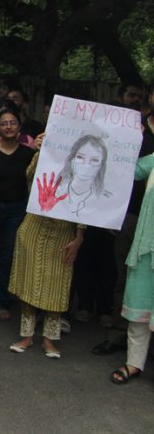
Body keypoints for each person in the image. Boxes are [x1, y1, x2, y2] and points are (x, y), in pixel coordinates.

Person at [8, 133, 85, 359]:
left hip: (64, 232)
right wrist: (41, 151)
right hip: (34, 226)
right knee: (29, 281)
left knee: (57, 285)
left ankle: (49, 339)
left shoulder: (84, 162)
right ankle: (26, 335)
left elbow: (88, 206)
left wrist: (79, 237)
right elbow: (29, 178)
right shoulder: (46, 150)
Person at [0, 106, 35, 320]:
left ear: (19, 127)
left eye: (13, 122)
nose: (9, 127)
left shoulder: (28, 153)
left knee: (7, 255)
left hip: (17, 209)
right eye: (4, 123)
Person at [111, 153, 154, 383]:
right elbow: (126, 168)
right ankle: (134, 363)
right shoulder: (153, 160)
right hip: (147, 248)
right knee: (140, 306)